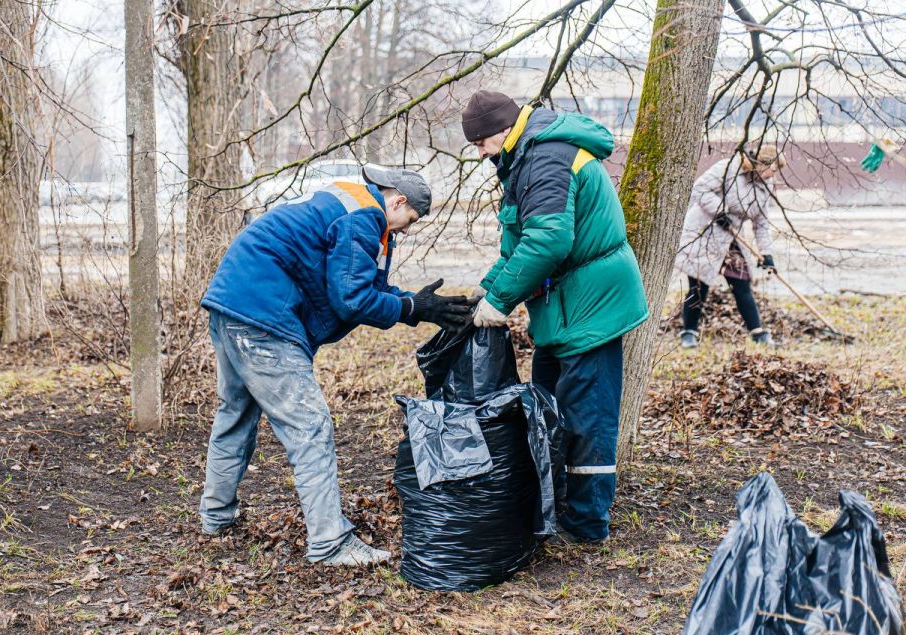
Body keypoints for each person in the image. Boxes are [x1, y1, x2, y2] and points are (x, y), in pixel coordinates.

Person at [199, 166, 472, 566]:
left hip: (233, 306)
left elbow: (362, 284)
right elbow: (352, 299)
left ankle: (216, 518)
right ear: (397, 201)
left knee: (235, 416)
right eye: (410, 220)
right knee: (310, 427)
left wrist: (416, 304)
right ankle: (330, 543)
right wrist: (413, 309)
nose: (407, 230)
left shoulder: (352, 202)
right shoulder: (366, 216)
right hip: (263, 319)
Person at [461, 90, 649, 545]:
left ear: (502, 131)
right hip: (565, 310)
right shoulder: (527, 157)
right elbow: (519, 241)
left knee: (588, 417)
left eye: (482, 144)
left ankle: (586, 525)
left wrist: (501, 301)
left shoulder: (547, 158)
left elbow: (547, 242)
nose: (482, 155)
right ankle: (560, 504)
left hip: (592, 309)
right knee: (551, 408)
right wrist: (488, 289)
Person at [674, 145, 784, 349]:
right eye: (773, 169)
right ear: (762, 164)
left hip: (732, 238)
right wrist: (719, 212)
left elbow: (761, 223)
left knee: (741, 283)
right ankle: (688, 333)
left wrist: (766, 254)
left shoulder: (765, 186)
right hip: (705, 232)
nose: (774, 174)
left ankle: (758, 333)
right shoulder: (728, 169)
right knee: (699, 285)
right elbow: (699, 188)